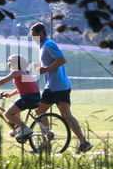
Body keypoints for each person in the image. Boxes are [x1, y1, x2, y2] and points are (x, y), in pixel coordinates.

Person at [30, 22, 92, 153]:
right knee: (66, 115)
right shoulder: (43, 46)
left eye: (34, 35)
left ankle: (45, 144)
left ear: (41, 33)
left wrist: (45, 69)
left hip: (54, 86)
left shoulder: (49, 44)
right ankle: (84, 143)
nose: (33, 39)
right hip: (63, 85)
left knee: (39, 111)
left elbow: (62, 60)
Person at [0, 54, 40, 142]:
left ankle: (25, 128)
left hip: (27, 98)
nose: (9, 66)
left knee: (8, 114)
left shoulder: (17, 72)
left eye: (10, 64)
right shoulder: (25, 73)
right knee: (13, 104)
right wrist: (10, 95)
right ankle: (18, 129)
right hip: (35, 97)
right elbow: (23, 87)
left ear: (15, 64)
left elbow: (3, 80)